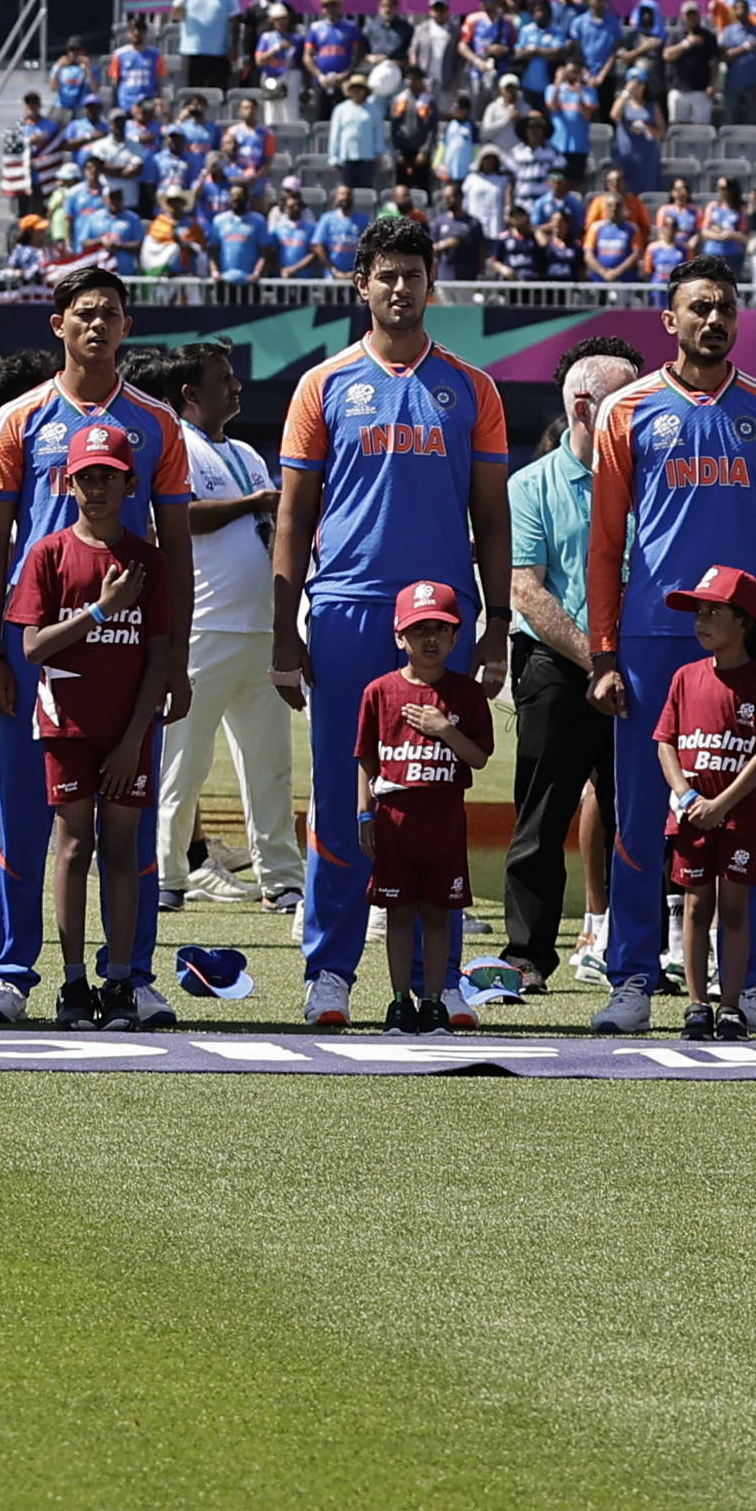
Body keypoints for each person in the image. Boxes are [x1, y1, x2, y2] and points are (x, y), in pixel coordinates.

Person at [270, 216, 512, 1026]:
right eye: (386, 274)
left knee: (430, 793)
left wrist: (498, 619)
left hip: (441, 615)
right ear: (360, 284)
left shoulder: (471, 387)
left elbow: (492, 515)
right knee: (346, 796)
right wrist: (284, 626)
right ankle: (330, 971)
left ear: (430, 284)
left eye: (413, 273)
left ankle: (429, 984)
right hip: (346, 606)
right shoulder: (324, 384)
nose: (399, 287)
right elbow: (294, 518)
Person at [585, 260, 756, 1035]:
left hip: (749, 648)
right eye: (699, 308)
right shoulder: (627, 410)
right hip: (652, 639)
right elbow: (605, 542)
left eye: (725, 308)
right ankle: (634, 981)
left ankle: (746, 988)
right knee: (646, 816)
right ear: (669, 321)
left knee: (744, 819)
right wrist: (605, 652)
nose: (714, 320)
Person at [0, 265, 192, 1027]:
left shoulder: (157, 423)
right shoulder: (16, 420)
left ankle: (129, 973)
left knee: (126, 818)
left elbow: (177, 550)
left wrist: (179, 660)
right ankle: (11, 971)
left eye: (111, 314)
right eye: (83, 312)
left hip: (130, 647)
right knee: (28, 818)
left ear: (128, 327)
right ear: (57, 323)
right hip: (36, 645)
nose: (97, 324)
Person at [5, 430, 168, 1026]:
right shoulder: (47, 554)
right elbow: (33, 648)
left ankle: (120, 980)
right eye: (86, 477)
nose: (97, 488)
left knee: (121, 849)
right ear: (65, 483)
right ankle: (74, 983)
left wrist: (133, 739)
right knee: (74, 847)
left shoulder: (148, 561)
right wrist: (101, 609)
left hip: (128, 733)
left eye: (109, 476)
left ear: (131, 484)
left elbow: (159, 656)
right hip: (66, 726)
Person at [500, 348, 633, 999]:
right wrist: (600, 660)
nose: (642, 406)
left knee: (636, 816)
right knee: (543, 815)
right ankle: (526, 956)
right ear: (584, 407)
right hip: (557, 665)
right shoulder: (529, 486)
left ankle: (641, 953)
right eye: (626, 396)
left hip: (637, 666)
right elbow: (527, 592)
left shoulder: (652, 478)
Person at [150, 345, 297, 922]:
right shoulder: (174, 443)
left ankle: (281, 879)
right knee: (182, 763)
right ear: (191, 393)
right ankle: (166, 874)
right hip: (204, 627)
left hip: (259, 630)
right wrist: (254, 503)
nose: (237, 387)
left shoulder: (245, 453)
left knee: (270, 765)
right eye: (224, 379)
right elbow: (178, 517)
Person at [651, 566, 756, 1034]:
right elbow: (665, 742)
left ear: (745, 622)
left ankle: (731, 1004)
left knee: (734, 909)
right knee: (694, 906)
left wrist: (722, 805)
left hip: (738, 819)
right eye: (699, 612)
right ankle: (696, 1005)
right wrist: (687, 795)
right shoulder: (685, 677)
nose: (702, 620)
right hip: (690, 817)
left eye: (714, 611)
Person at [354, 582, 493, 1030]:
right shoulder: (379, 691)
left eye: (440, 629)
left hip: (444, 822)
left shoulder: (466, 695)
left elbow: (479, 757)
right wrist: (363, 814)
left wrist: (443, 728)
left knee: (438, 916)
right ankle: (399, 1001)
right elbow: (366, 759)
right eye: (419, 630)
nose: (429, 640)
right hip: (394, 821)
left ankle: (434, 999)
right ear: (399, 636)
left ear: (456, 638)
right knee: (398, 916)